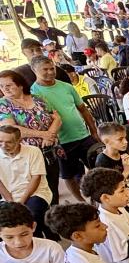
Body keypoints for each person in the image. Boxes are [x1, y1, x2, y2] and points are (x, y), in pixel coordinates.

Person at [29, 56, 98, 203]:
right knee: (69, 175)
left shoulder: (66, 86)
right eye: (45, 70)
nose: (50, 72)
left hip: (83, 135)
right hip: (61, 142)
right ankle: (81, 201)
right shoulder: (34, 93)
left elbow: (83, 109)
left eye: (52, 68)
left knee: (95, 168)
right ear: (34, 70)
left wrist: (93, 131)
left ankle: (97, 198)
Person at [0, 69, 62, 206]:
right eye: (2, 86)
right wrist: (43, 134)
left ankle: (55, 219)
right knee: (36, 191)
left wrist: (50, 135)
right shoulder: (3, 105)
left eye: (8, 85)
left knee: (52, 188)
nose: (5, 89)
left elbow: (57, 118)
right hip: (28, 155)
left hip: (49, 149)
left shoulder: (37, 98)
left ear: (20, 84)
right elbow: (12, 130)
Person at [0, 125, 56, 240]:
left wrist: (20, 202)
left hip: (36, 193)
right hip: (9, 197)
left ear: (19, 141)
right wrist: (11, 202)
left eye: (9, 142)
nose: (3, 146)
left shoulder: (33, 151)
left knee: (30, 216)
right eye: (0, 142)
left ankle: (40, 243)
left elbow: (36, 179)